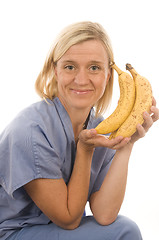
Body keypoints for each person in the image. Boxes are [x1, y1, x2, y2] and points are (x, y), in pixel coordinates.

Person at [0, 21, 158, 240]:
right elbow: (69, 219)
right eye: (70, 67)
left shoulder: (99, 126)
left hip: (53, 231)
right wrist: (84, 149)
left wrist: (126, 144)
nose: (82, 80)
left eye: (94, 67)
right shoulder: (30, 131)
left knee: (125, 227)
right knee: (125, 232)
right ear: (55, 71)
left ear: (107, 75)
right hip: (14, 233)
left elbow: (104, 214)